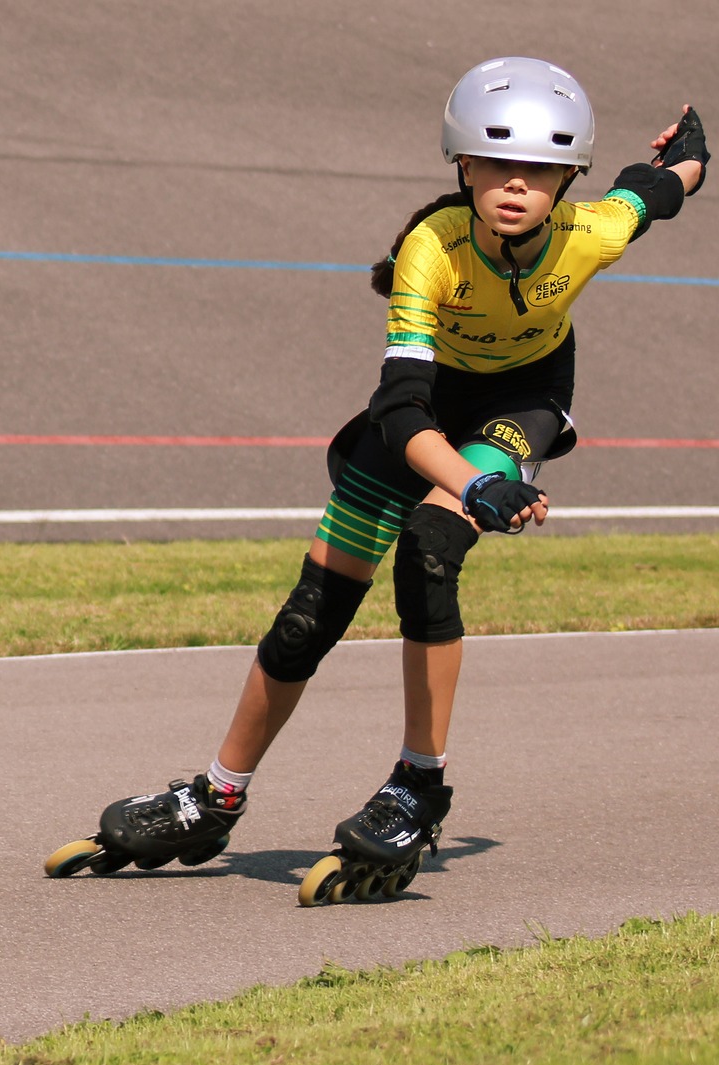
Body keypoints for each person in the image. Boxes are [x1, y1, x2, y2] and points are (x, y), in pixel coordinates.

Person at [47, 58, 705, 904]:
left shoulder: (591, 234)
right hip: (424, 410)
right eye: (494, 164)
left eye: (540, 169)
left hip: (522, 403)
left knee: (429, 551)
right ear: (460, 166)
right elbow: (401, 412)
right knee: (309, 616)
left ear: (567, 177)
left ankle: (418, 785)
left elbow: (652, 192)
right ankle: (215, 794)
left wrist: (691, 151)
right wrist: (475, 486)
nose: (514, 186)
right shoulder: (430, 249)